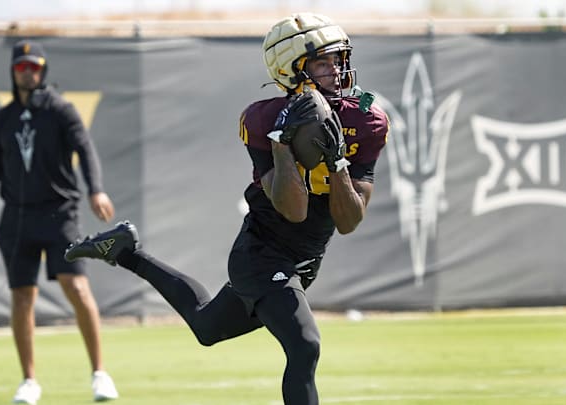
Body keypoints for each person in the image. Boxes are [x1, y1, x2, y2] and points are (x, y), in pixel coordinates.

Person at [65, 12, 388, 405]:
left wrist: (337, 162)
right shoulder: (264, 119)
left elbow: (349, 221)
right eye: (324, 62)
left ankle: (126, 252)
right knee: (304, 346)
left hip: (304, 260)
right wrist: (283, 145)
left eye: (339, 60)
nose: (337, 71)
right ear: (293, 69)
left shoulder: (365, 120)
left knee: (206, 326)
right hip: (262, 255)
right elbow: (293, 210)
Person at [0, 40, 119, 405]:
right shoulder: (4, 118)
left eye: (34, 66)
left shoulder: (61, 110)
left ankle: (100, 374)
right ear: (13, 72)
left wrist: (96, 190)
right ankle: (29, 381)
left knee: (76, 289)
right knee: (22, 298)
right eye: (21, 67)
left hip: (59, 214)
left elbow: (85, 150)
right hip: (17, 219)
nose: (28, 71)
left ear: (43, 71)